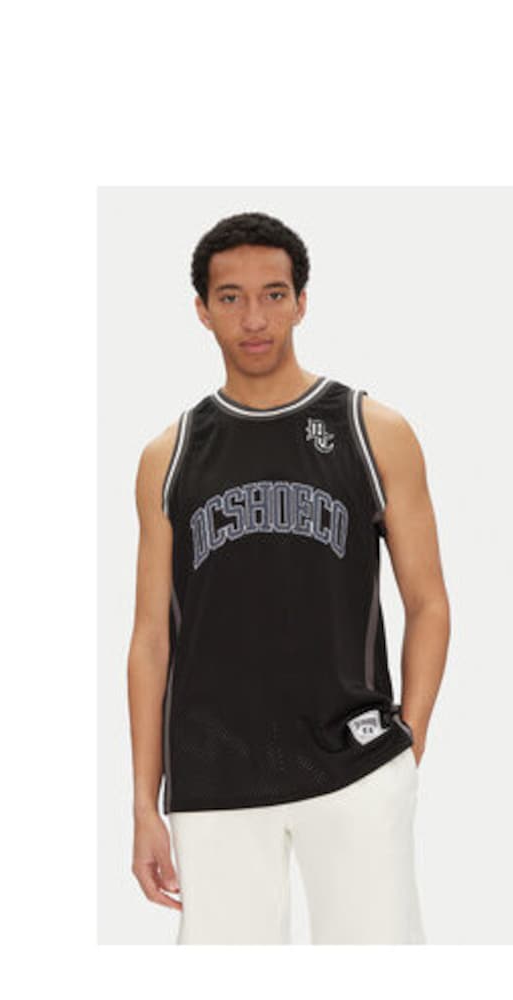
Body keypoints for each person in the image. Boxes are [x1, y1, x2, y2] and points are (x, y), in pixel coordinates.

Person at [127, 211, 451, 943]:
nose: (254, 318)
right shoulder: (169, 456)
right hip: (214, 774)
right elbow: (150, 640)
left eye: (273, 294)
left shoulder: (372, 430)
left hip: (354, 763)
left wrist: (409, 742)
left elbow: (428, 601)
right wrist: (144, 802)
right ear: (202, 310)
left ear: (302, 302)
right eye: (231, 297)